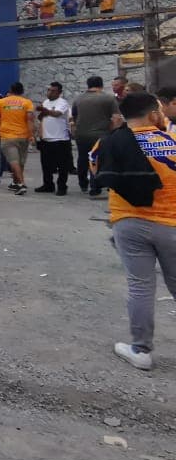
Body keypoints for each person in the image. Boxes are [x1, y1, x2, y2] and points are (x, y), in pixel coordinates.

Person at [91, 92, 176, 371]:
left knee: (140, 286)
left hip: (128, 222)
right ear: (153, 114)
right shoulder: (172, 141)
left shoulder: (108, 144)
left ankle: (141, 350)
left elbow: (97, 170)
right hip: (172, 223)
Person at [72, 76, 118, 197]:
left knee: (82, 158)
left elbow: (74, 117)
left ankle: (82, 183)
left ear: (88, 85)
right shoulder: (108, 98)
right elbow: (116, 118)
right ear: (101, 85)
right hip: (101, 134)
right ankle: (94, 186)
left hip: (81, 134)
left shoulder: (78, 99)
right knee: (96, 159)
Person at [0, 82, 36, 195]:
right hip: (23, 136)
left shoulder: (1, 102)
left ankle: (21, 184)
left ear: (11, 90)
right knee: (20, 162)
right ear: (22, 91)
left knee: (14, 161)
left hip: (7, 136)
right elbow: (30, 119)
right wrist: (31, 135)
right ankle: (15, 182)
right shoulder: (27, 102)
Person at [34, 82, 72, 196]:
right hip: (46, 138)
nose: (49, 92)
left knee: (62, 166)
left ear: (59, 92)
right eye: (49, 90)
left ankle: (62, 186)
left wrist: (45, 111)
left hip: (60, 139)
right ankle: (48, 185)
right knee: (46, 165)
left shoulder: (63, 103)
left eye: (53, 90)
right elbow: (41, 117)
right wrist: (41, 114)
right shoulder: (46, 102)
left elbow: (57, 114)